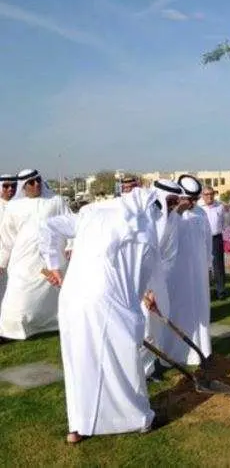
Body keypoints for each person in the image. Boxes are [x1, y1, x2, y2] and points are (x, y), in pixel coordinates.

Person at [39, 188, 163, 444]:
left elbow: (49, 225)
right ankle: (139, 419)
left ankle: (78, 426)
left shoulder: (91, 212)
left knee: (80, 362)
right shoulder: (144, 231)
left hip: (73, 298)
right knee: (123, 359)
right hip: (109, 302)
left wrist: (53, 264)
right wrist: (141, 304)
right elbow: (138, 280)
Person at [0, 169, 70, 341]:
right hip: (23, 261)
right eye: (31, 182)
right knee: (18, 300)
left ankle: (55, 325)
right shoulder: (13, 207)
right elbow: (7, 239)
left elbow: (70, 223)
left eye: (38, 180)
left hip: (52, 260)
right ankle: (15, 330)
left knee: (56, 297)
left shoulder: (56, 201)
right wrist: (2, 262)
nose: (36, 184)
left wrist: (70, 245)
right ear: (23, 187)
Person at [162, 175, 212, 365]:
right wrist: (176, 215)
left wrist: (208, 265)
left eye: (195, 199)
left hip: (198, 273)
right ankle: (174, 354)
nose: (193, 203)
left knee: (199, 309)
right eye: (189, 199)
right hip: (176, 275)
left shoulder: (201, 214)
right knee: (178, 310)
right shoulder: (169, 216)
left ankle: (201, 351)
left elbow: (207, 242)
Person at [141, 179, 182, 379]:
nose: (175, 206)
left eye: (176, 201)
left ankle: (147, 370)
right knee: (141, 329)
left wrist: (154, 289)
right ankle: (134, 374)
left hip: (156, 282)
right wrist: (143, 289)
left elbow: (169, 256)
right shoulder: (142, 215)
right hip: (136, 282)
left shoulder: (173, 219)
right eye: (171, 201)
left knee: (155, 327)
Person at [199, 186, 226, 300]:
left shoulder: (220, 206)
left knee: (218, 266)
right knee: (203, 266)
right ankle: (205, 292)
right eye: (206, 194)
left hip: (216, 238)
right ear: (202, 196)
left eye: (211, 194)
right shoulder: (198, 207)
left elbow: (224, 221)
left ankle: (221, 292)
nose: (209, 196)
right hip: (201, 239)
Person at [0, 174, 18, 304]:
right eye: (6, 186)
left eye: (13, 186)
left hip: (19, 255)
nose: (10, 189)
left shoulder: (21, 206)